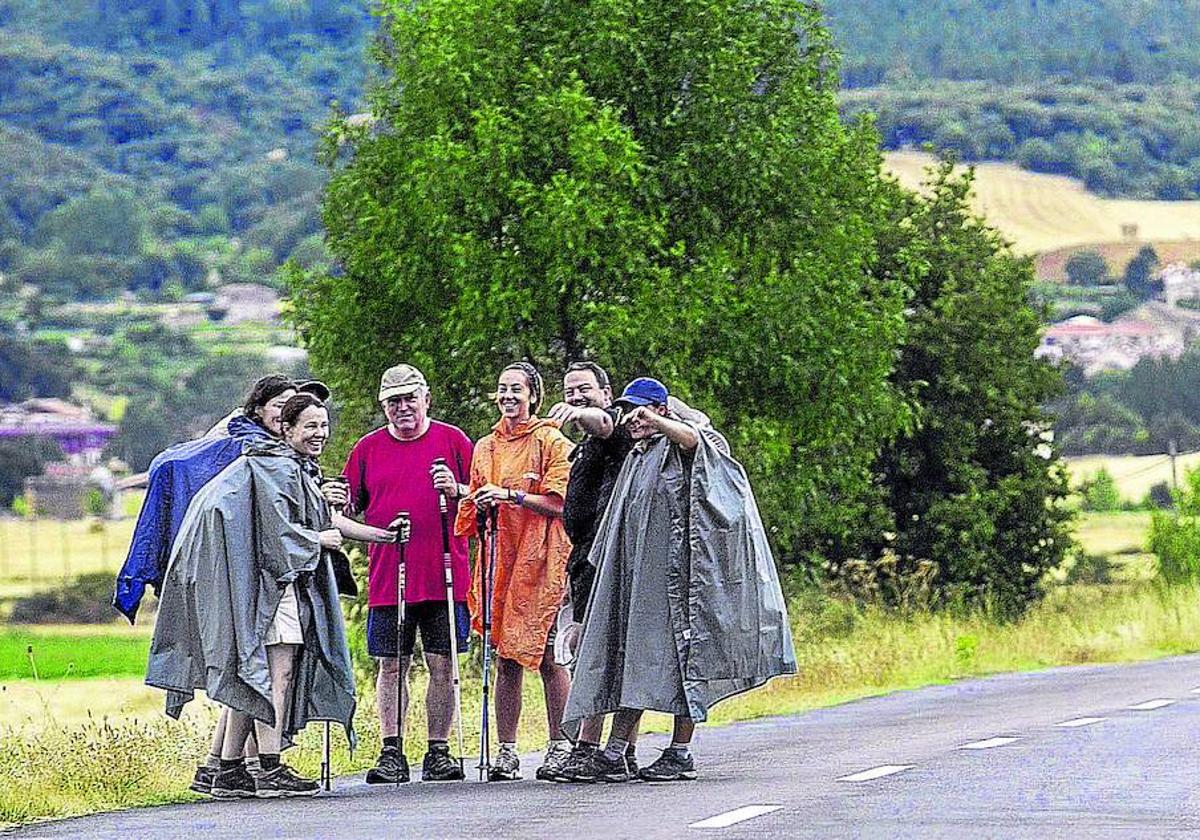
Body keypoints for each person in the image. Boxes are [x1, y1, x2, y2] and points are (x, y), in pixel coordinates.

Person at [146, 394, 393, 798]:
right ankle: (269, 766)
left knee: (254, 672)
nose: (320, 434)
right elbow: (279, 536)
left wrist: (379, 535)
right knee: (278, 671)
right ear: (287, 429)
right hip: (272, 586)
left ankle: (226, 768)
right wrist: (319, 540)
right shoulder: (277, 468)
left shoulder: (273, 464)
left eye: (323, 425)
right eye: (310, 426)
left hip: (260, 585)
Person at [561, 378, 797, 782]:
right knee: (634, 663)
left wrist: (657, 416)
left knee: (686, 665)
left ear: (661, 411)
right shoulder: (639, 455)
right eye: (630, 411)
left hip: (681, 586)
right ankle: (615, 752)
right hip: (642, 585)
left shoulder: (683, 447)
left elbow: (694, 438)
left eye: (640, 410)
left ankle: (680, 751)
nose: (632, 418)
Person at [339, 363, 473, 784]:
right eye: (393, 401)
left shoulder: (453, 441)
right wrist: (336, 501)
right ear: (383, 407)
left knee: (442, 662)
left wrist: (457, 490)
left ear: (425, 399)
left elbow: (482, 499)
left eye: (408, 399)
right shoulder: (367, 449)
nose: (402, 408)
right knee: (392, 665)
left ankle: (438, 751)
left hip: (445, 572)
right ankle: (391, 751)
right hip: (387, 577)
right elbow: (347, 507)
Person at [455, 362, 574, 781]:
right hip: (499, 558)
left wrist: (512, 495)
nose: (508, 396)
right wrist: (478, 501)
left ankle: (561, 744)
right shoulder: (485, 446)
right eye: (502, 389)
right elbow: (470, 507)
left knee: (546, 653)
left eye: (516, 390)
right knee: (504, 654)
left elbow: (560, 504)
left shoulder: (551, 441)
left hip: (542, 558)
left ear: (532, 396)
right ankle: (507, 751)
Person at [543, 361, 639, 781]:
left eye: (584, 389)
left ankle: (589, 748)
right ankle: (620, 753)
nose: (576, 397)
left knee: (600, 655)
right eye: (569, 392)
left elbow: (603, 422)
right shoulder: (584, 448)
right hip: (584, 560)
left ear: (606, 390)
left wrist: (580, 413)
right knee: (592, 652)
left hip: (611, 560)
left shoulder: (615, 431)